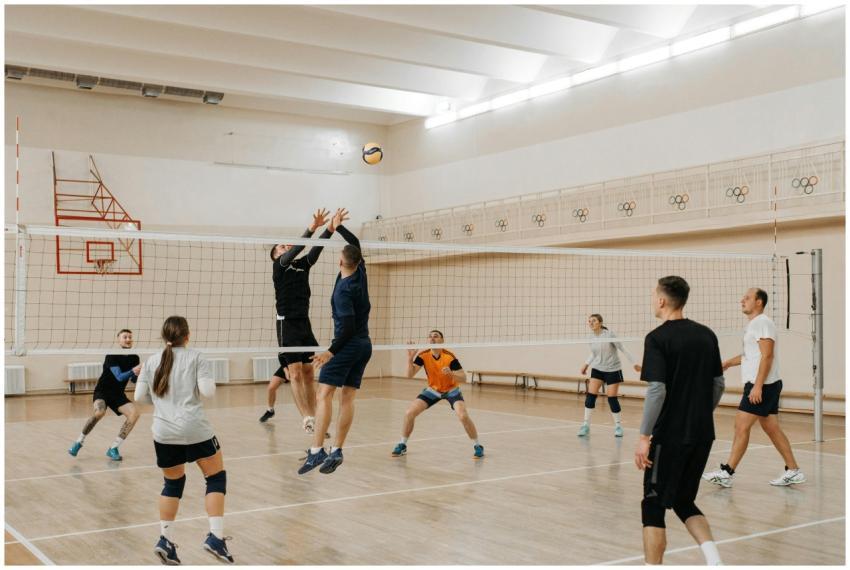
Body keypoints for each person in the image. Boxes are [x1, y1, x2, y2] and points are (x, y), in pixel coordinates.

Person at [635, 276, 725, 566]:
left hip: (670, 436)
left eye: (653, 295)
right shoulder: (707, 334)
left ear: (662, 300)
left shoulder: (657, 338)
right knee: (684, 501)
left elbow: (656, 389)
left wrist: (644, 437)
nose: (652, 300)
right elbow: (718, 384)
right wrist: (698, 414)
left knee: (653, 504)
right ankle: (715, 561)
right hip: (702, 433)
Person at [135, 316, 233, 565]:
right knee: (215, 477)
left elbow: (139, 397)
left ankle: (165, 539)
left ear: (164, 336)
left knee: (172, 484)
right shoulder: (197, 357)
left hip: (164, 432)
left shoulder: (151, 361)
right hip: (195, 429)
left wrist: (162, 403)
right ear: (187, 336)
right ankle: (216, 537)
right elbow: (208, 392)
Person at [702, 288, 806, 488]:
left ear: (759, 302)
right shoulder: (754, 325)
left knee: (741, 426)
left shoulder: (762, 323)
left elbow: (768, 356)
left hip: (762, 385)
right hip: (767, 384)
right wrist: (725, 364)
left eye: (747, 298)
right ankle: (793, 470)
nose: (742, 300)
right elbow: (750, 356)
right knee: (772, 429)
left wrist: (757, 386)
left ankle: (727, 472)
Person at [299, 208, 372, 475]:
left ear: (340, 263)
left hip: (348, 344)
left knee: (324, 394)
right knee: (348, 397)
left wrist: (330, 352)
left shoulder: (344, 291)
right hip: (365, 346)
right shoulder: (360, 273)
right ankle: (337, 449)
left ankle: (317, 451)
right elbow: (355, 245)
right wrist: (336, 227)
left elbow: (348, 329)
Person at [261, 208, 331, 433]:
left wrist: (328, 229)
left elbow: (315, 251)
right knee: (296, 372)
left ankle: (315, 417)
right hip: (287, 324)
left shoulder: (302, 265)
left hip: (304, 323)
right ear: (275, 255)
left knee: (310, 372)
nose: (286, 247)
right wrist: (312, 227)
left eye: (286, 245)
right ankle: (307, 418)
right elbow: (300, 246)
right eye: (281, 246)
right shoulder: (279, 266)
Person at [392, 330, 483, 459]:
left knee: (463, 416)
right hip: (433, 390)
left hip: (451, 390)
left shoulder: (449, 357)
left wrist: (452, 374)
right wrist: (410, 358)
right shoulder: (423, 355)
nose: (432, 338)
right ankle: (402, 444)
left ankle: (478, 446)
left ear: (442, 340)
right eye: (430, 336)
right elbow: (409, 375)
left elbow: (464, 378)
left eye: (436, 336)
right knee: (409, 413)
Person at [68, 329, 141, 461]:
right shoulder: (112, 355)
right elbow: (119, 376)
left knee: (134, 413)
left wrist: (139, 374)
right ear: (118, 340)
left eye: (130, 337)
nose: (128, 339)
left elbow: (133, 379)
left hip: (118, 394)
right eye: (125, 337)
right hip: (103, 391)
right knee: (99, 413)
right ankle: (79, 442)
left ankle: (113, 448)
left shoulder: (134, 357)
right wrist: (133, 371)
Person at [578, 314, 640, 438]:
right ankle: (585, 425)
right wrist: (586, 364)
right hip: (598, 369)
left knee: (612, 398)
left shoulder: (609, 335)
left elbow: (623, 348)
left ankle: (618, 426)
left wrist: (634, 363)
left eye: (594, 321)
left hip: (613, 369)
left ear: (600, 322)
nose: (591, 323)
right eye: (589, 321)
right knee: (591, 395)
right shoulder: (591, 337)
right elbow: (593, 353)